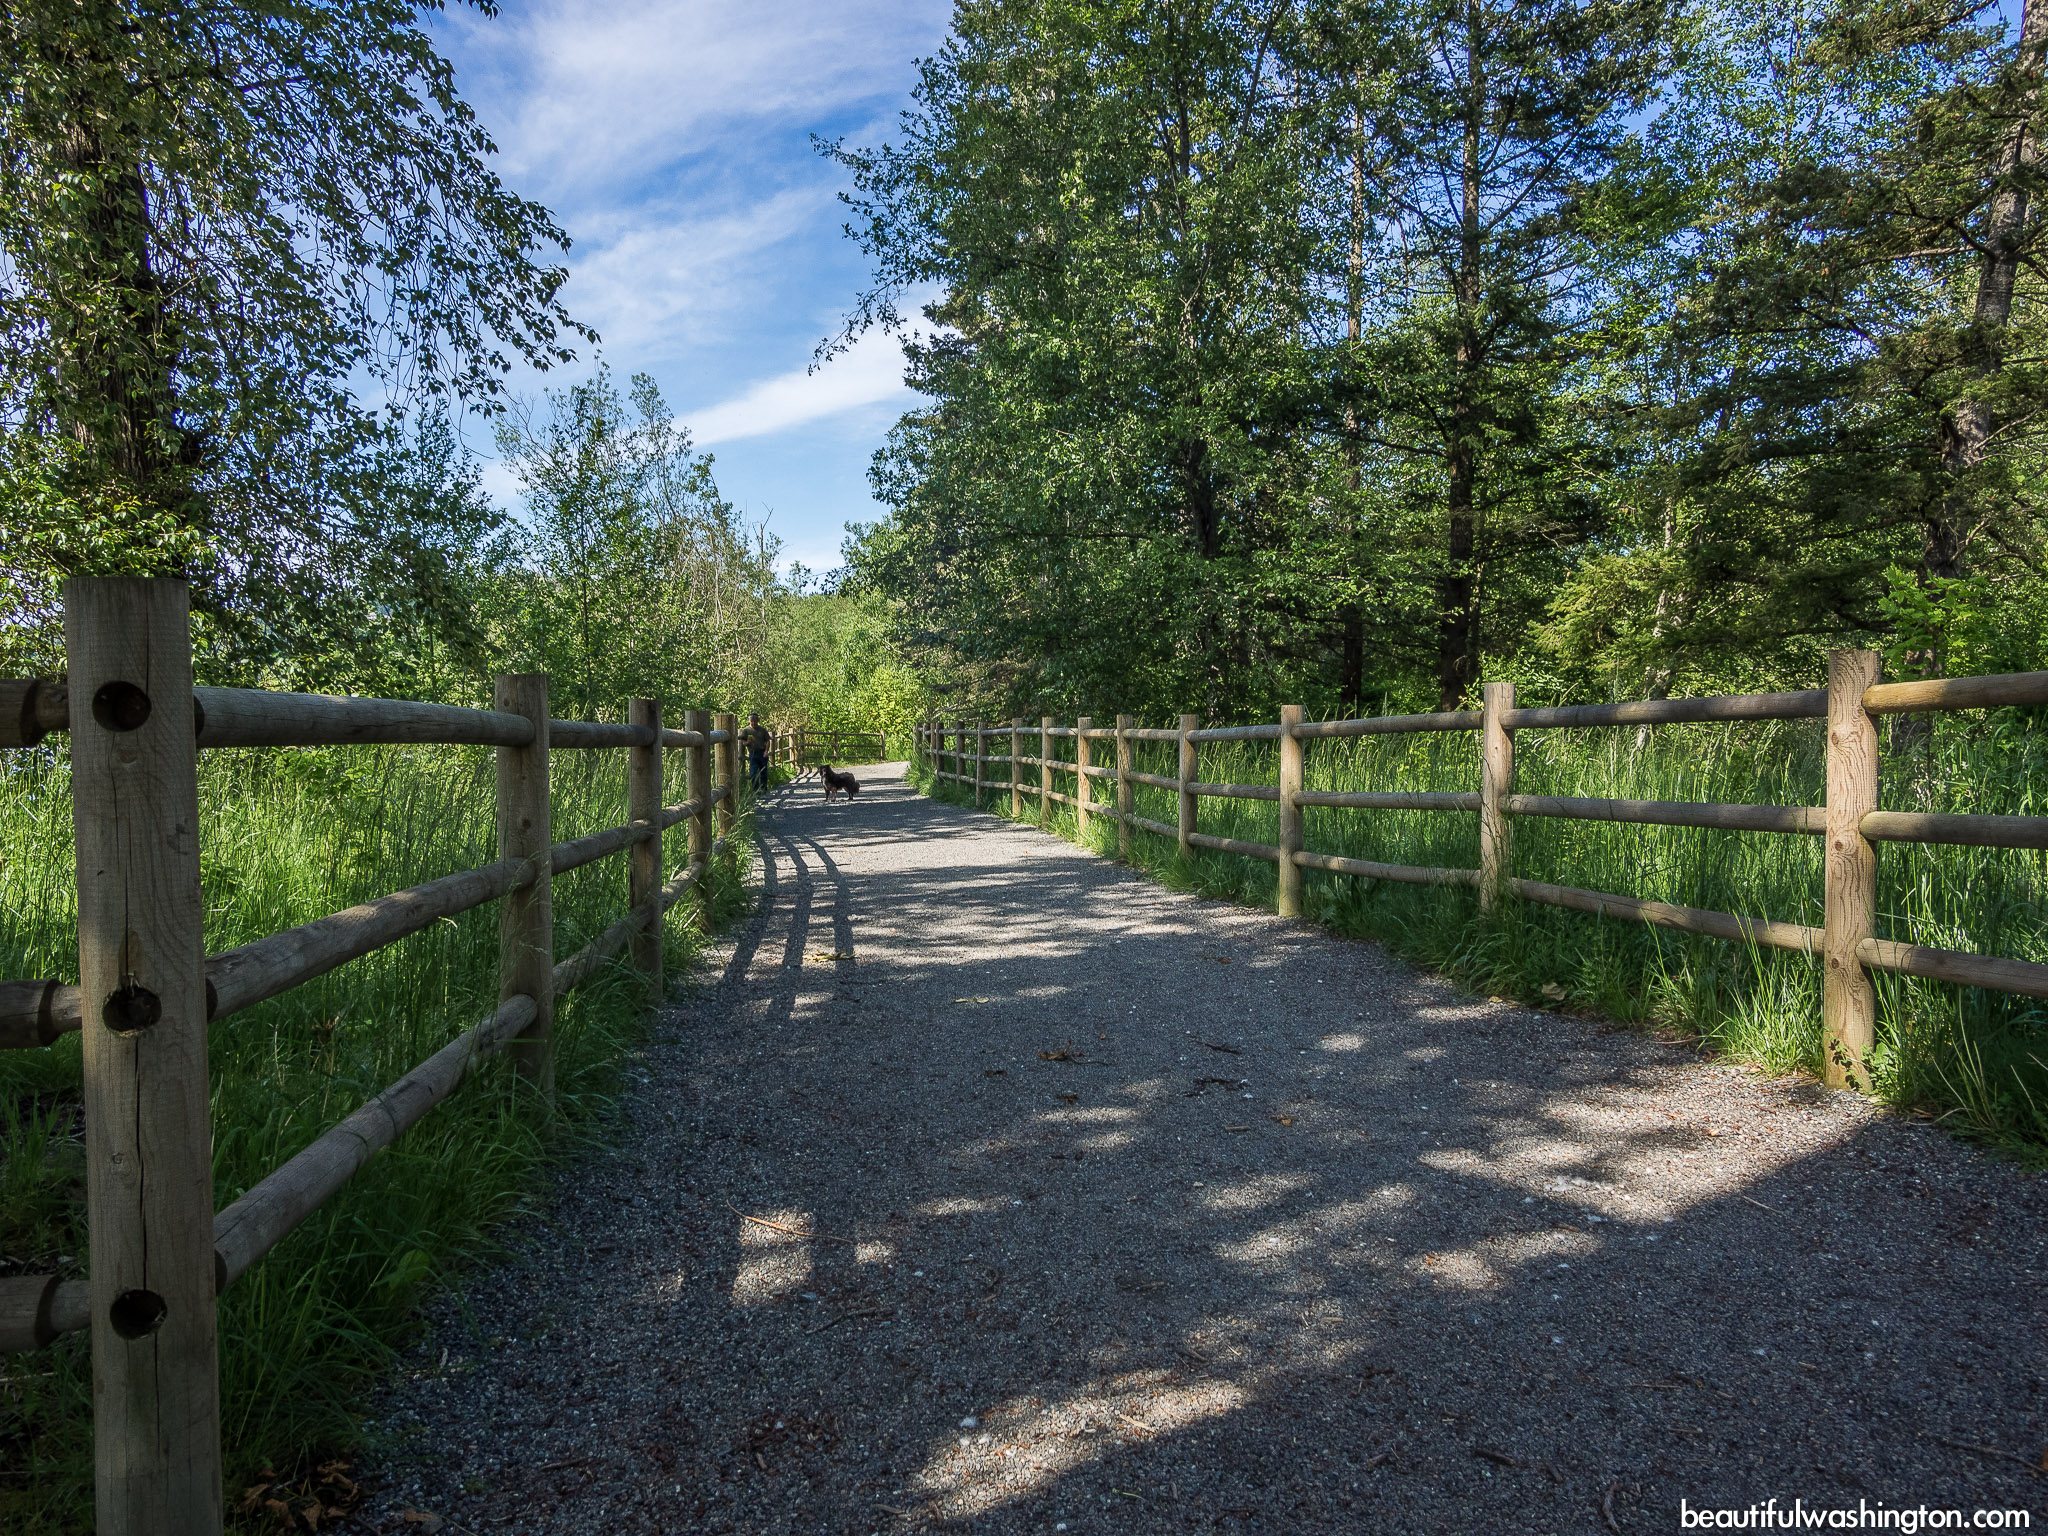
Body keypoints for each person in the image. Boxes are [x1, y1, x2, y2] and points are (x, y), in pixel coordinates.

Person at [739, 712, 773, 792]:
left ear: (758, 720)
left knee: (763, 772)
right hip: (753, 754)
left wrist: (766, 751)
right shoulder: (746, 730)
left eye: (755, 721)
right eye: (752, 721)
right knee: (753, 773)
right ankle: (755, 791)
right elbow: (743, 743)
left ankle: (764, 789)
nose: (753, 723)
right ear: (749, 721)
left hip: (762, 753)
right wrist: (748, 742)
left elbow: (768, 740)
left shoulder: (762, 730)